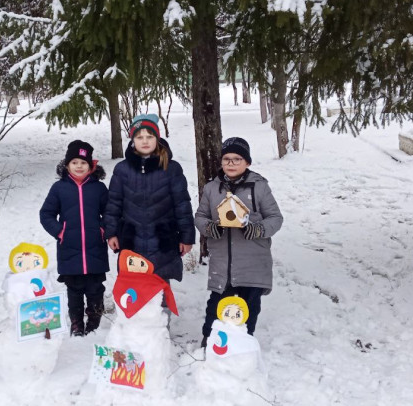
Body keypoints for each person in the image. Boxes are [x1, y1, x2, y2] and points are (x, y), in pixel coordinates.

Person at [194, 137, 283, 346]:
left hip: (252, 263)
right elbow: (200, 216)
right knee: (216, 307)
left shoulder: (259, 187)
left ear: (247, 162)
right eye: (226, 159)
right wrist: (211, 228)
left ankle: (242, 348)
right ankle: (210, 344)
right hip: (222, 264)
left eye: (237, 159)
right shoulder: (212, 188)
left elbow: (275, 218)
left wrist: (256, 228)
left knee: (247, 309)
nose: (231, 163)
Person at [105, 114, 195, 288]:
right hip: (132, 238)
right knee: (134, 288)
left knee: (160, 285)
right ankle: (136, 315)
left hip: (163, 238)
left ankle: (162, 314)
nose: (145, 141)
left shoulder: (171, 167)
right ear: (133, 141)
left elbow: (182, 205)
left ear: (157, 138)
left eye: (150, 136)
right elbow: (113, 204)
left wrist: (187, 237)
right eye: (139, 137)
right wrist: (111, 233)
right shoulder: (122, 169)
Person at [39, 140, 110, 336]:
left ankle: (94, 323)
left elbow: (111, 213)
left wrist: (103, 230)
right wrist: (60, 232)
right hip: (69, 250)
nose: (79, 166)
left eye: (83, 163)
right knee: (74, 289)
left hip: (95, 249)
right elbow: (46, 214)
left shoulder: (99, 188)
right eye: (75, 162)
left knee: (96, 288)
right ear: (67, 165)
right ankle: (77, 323)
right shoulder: (59, 188)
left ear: (91, 165)